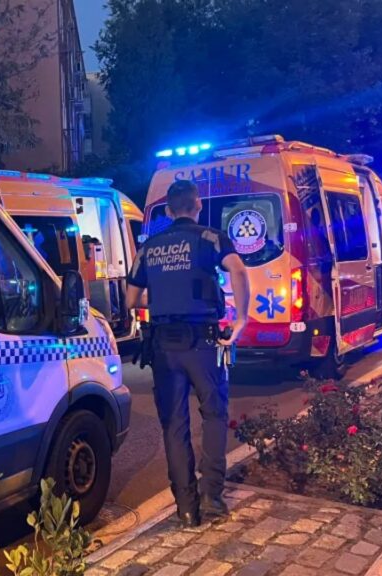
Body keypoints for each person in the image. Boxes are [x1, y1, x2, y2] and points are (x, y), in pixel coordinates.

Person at [126, 179, 250, 527]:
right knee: (214, 414)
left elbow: (132, 300)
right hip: (203, 343)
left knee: (174, 424)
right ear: (198, 206)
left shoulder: (149, 247)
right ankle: (212, 496)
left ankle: (185, 507)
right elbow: (238, 269)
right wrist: (241, 319)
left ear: (168, 211)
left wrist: (165, 295)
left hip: (164, 347)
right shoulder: (210, 238)